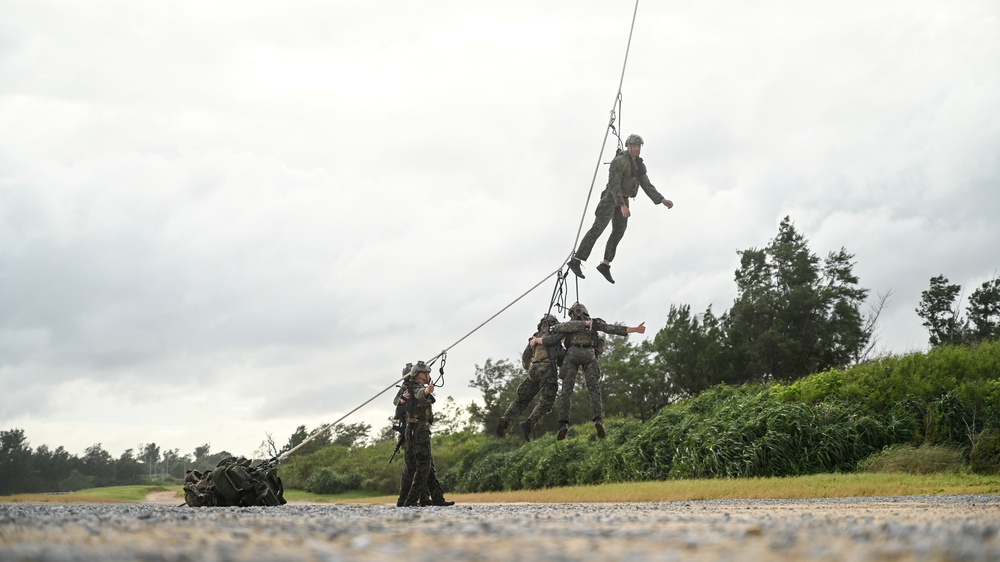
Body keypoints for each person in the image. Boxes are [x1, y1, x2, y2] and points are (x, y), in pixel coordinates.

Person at [568, 134, 673, 284]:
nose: (636, 149)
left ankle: (605, 264)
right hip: (611, 198)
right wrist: (622, 205)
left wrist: (661, 199)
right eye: (634, 146)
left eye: (638, 146)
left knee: (619, 230)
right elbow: (614, 185)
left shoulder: (639, 165)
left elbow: (646, 185)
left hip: (624, 199)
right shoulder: (619, 162)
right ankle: (577, 260)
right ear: (628, 146)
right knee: (598, 228)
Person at [537, 302, 645, 440]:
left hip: (572, 354)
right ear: (585, 312)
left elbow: (551, 340)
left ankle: (563, 424)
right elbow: (612, 328)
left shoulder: (567, 326)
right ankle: (598, 420)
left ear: (572, 313)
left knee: (566, 391)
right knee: (594, 389)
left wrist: (537, 340)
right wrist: (635, 329)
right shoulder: (594, 323)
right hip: (589, 355)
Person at [495, 313, 563, 441]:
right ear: (545, 326)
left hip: (534, 371)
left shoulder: (534, 339)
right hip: (547, 370)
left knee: (522, 400)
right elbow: (561, 359)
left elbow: (525, 357)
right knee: (546, 402)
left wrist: (528, 367)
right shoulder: (553, 339)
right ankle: (529, 424)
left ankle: (507, 418)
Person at [397, 361, 455, 507]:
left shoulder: (413, 387)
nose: (429, 375)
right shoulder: (413, 388)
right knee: (422, 467)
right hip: (418, 431)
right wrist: (427, 391)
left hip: (415, 431)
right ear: (418, 374)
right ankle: (409, 501)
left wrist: (426, 391)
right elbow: (418, 394)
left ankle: (436, 499)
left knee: (425, 467)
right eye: (426, 373)